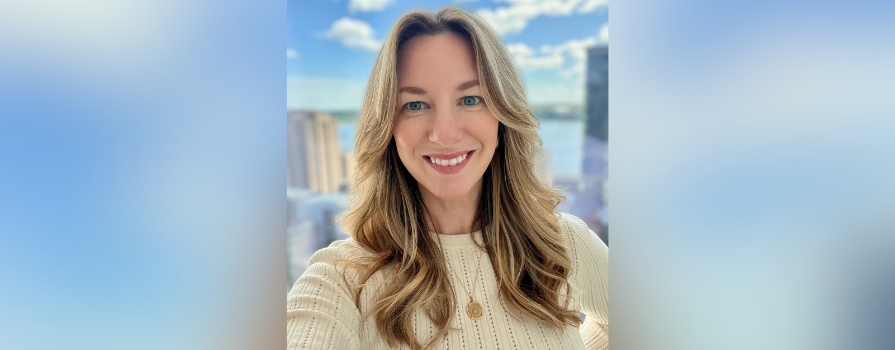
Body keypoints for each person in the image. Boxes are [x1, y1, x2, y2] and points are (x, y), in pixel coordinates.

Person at [287, 7, 608, 350]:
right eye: (414, 105)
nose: (444, 134)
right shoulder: (342, 280)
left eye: (470, 99)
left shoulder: (564, 243)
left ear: (503, 115)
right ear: (387, 126)